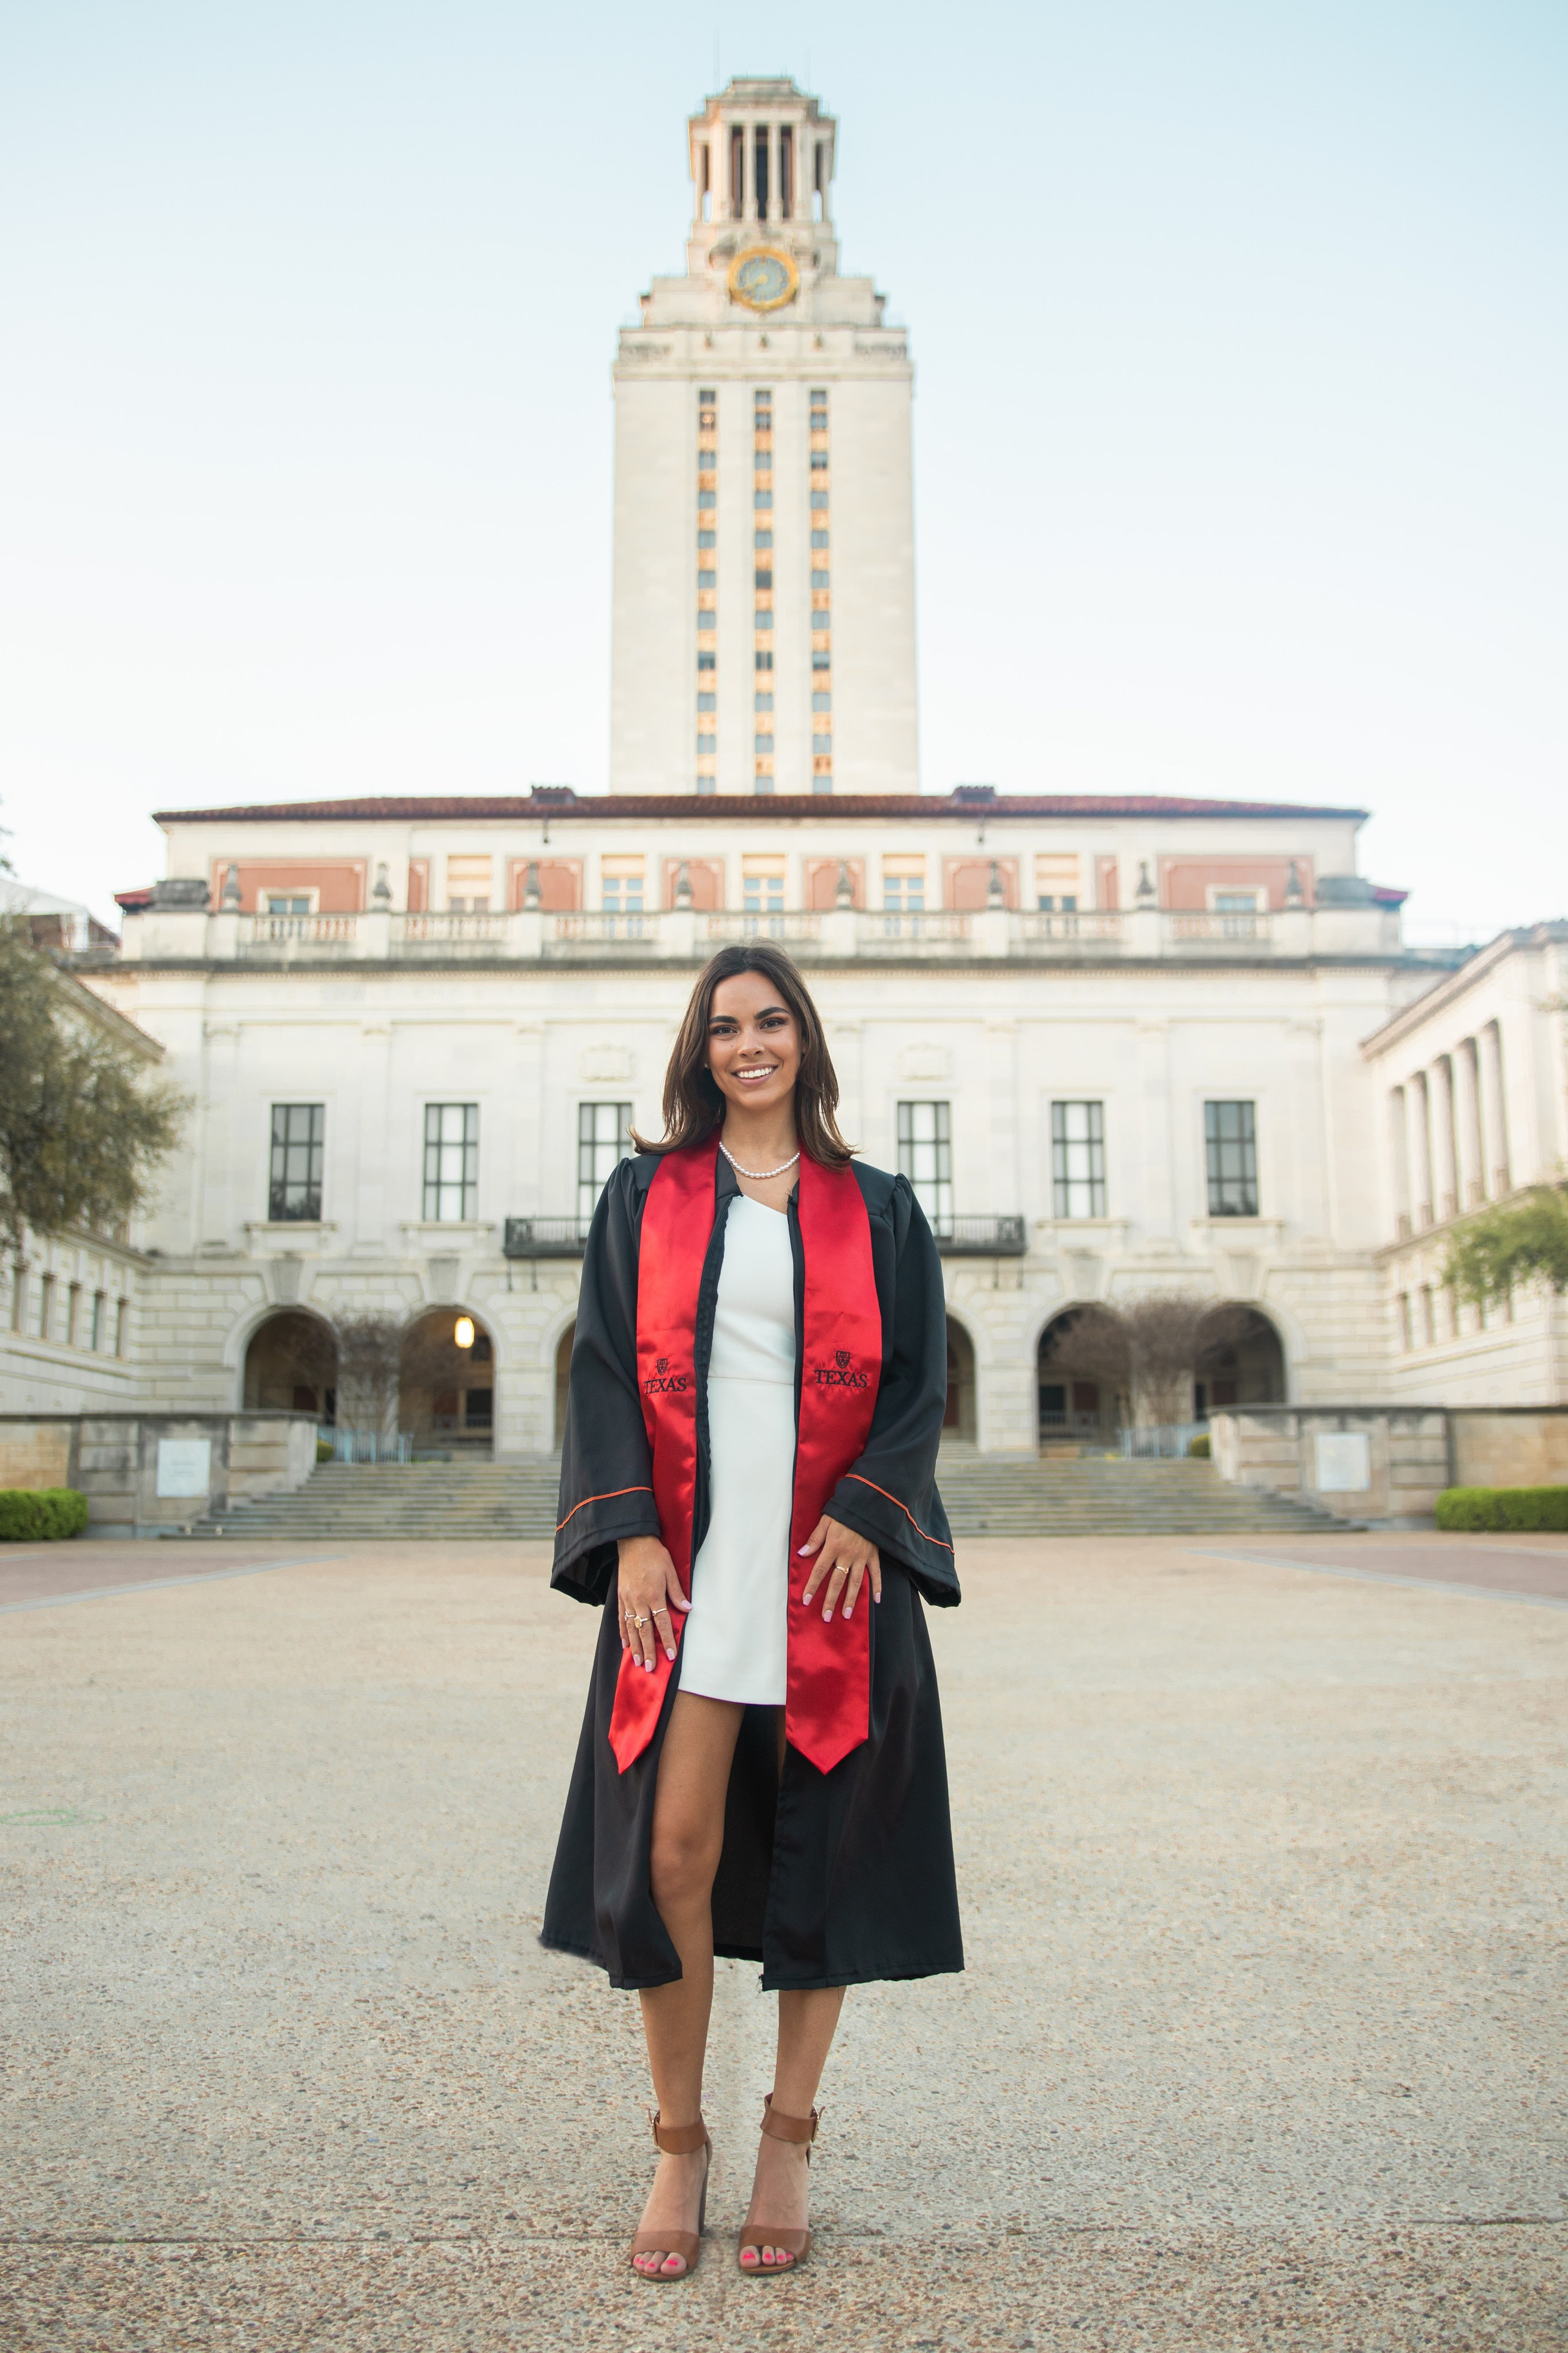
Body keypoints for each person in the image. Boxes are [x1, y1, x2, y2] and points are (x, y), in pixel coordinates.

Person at [542, 941, 962, 2283]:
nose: (748, 1045)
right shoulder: (643, 1196)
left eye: (770, 1021)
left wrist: (869, 1507)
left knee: (824, 1852)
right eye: (723, 1026)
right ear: (699, 1049)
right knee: (670, 1849)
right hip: (691, 1564)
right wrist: (624, 1535)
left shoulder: (879, 1209)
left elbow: (910, 1391)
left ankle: (788, 2131)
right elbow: (605, 1366)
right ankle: (680, 2139)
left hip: (827, 1569)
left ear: (805, 1040)